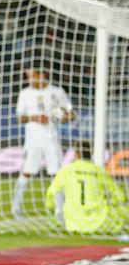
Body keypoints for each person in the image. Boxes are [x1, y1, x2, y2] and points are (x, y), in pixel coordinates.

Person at [12, 68, 76, 219]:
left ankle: (60, 211)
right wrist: (36, 118)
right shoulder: (25, 93)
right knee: (27, 171)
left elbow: (70, 112)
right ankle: (16, 208)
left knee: (56, 173)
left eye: (32, 75)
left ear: (42, 75)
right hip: (32, 140)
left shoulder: (57, 92)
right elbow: (20, 118)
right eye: (27, 76)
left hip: (51, 138)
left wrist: (65, 117)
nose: (29, 79)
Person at [46, 141, 128, 233]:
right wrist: (113, 203)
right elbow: (120, 196)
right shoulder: (99, 171)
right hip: (100, 223)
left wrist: (52, 209)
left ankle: (59, 221)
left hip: (72, 223)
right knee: (124, 210)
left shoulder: (66, 170)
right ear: (91, 153)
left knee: (59, 193)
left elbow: (51, 194)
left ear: (77, 154)